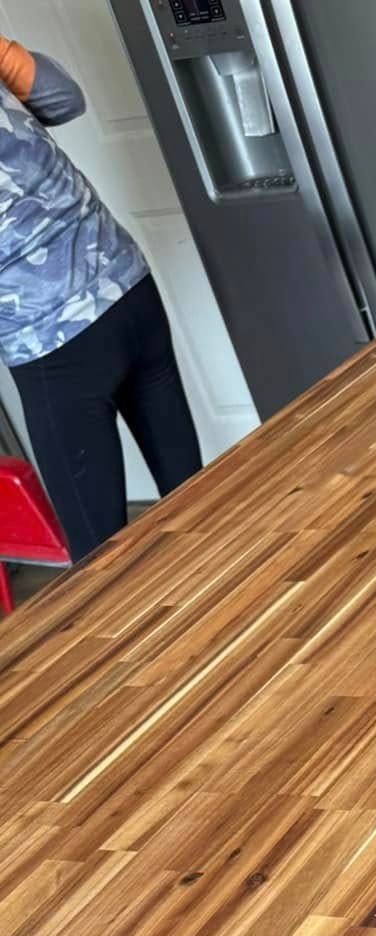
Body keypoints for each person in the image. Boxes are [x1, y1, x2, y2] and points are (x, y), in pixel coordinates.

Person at [0, 36, 201, 562]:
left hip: (53, 337)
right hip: (127, 285)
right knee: (198, 499)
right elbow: (63, 99)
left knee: (100, 564)